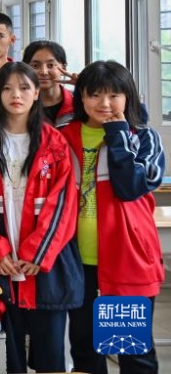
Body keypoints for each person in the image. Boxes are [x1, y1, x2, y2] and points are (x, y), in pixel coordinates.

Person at [0, 62, 82, 374]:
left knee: (51, 353)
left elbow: (63, 205)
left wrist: (37, 253)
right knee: (8, 350)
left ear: (37, 93)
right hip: (0, 261)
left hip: (45, 262)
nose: (15, 95)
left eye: (24, 88)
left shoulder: (54, 142)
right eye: (7, 88)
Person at [59, 61, 165, 374]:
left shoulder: (142, 137)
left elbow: (130, 188)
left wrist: (118, 136)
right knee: (85, 348)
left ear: (127, 97)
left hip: (123, 258)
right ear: (81, 97)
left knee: (128, 349)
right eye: (95, 95)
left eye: (114, 95)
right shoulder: (63, 136)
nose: (104, 103)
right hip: (75, 260)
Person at [22, 40, 76, 126]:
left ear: (64, 68)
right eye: (35, 66)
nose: (44, 72)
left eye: (50, 65)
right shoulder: (20, 106)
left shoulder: (79, 103)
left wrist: (84, 86)